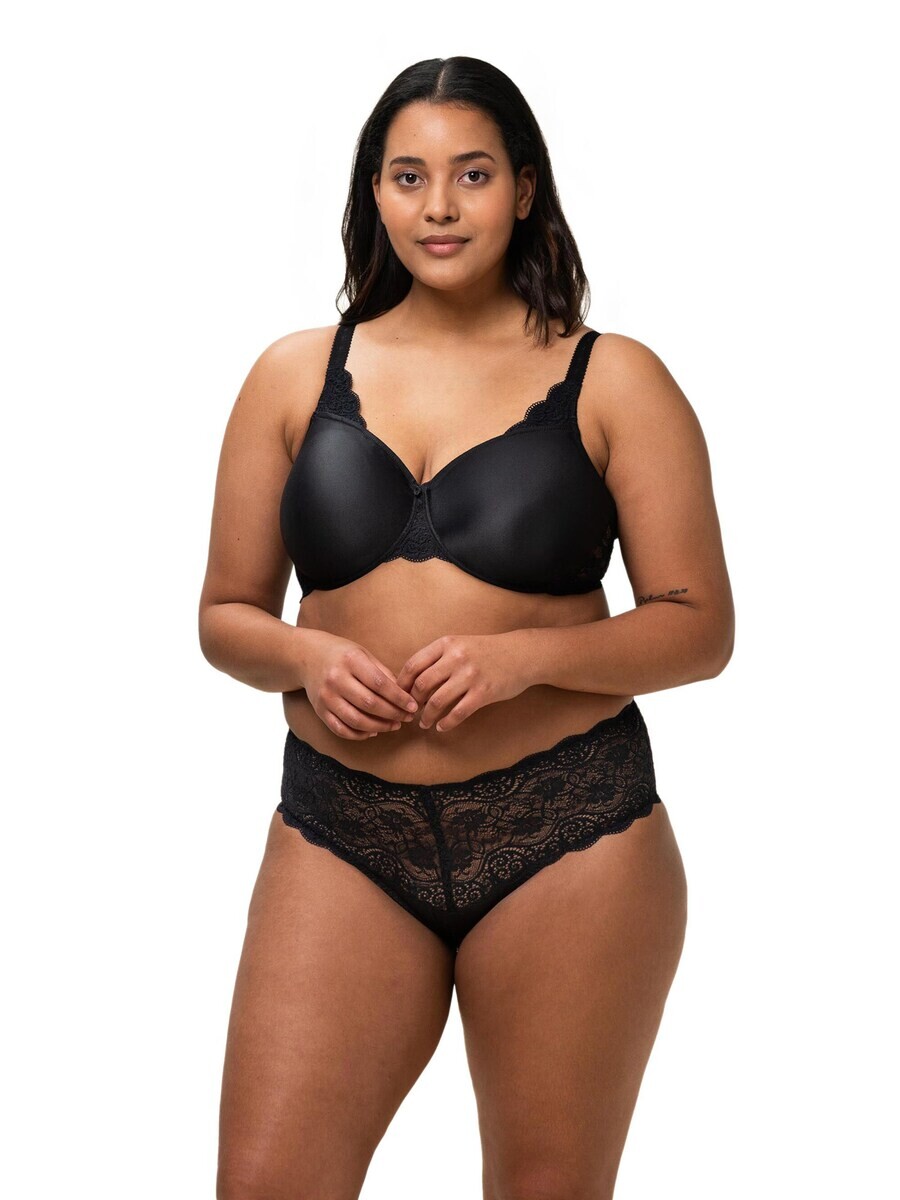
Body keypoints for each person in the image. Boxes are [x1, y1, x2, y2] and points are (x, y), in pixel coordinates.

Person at [199, 55, 734, 1200]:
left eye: (473, 174)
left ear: (525, 189)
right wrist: (306, 654)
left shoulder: (615, 379)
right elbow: (225, 615)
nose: (439, 207)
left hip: (568, 831)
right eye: (410, 176)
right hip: (340, 826)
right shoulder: (292, 376)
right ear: (374, 193)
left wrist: (524, 661)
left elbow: (700, 630)